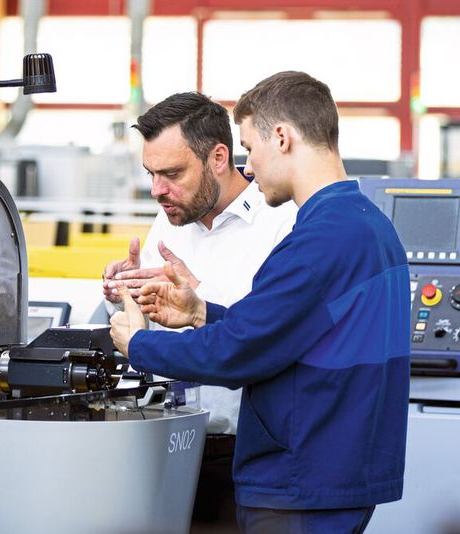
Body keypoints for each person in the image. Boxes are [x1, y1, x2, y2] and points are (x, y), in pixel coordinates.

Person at [110, 71, 410, 533]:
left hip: (301, 475)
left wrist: (139, 345)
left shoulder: (318, 241)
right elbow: (287, 330)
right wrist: (200, 312)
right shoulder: (368, 224)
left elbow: (240, 350)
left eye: (249, 149)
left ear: (283, 138)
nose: (249, 167)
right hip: (337, 468)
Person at [101, 92, 296, 527]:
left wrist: (198, 298)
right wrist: (126, 293)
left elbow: (263, 334)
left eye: (171, 173)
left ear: (219, 157)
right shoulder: (171, 218)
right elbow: (156, 326)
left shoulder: (282, 222)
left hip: (243, 453)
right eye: (151, 174)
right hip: (165, 439)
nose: (157, 190)